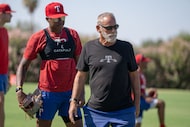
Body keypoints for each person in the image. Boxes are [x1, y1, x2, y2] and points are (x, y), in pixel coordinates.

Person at [16, 2, 83, 127]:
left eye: (63, 17)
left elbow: (81, 67)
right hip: (47, 95)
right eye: (57, 18)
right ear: (47, 19)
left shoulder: (73, 35)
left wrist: (81, 92)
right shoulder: (38, 37)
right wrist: (19, 90)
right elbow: (23, 65)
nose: (61, 21)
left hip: (70, 93)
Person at [69, 12, 140, 127]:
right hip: (96, 112)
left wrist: (137, 103)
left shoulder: (126, 48)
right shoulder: (89, 47)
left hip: (124, 111)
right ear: (98, 28)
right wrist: (73, 102)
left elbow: (134, 76)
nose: (113, 31)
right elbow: (80, 76)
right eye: (109, 28)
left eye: (115, 27)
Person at [135, 54, 166, 127]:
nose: (147, 63)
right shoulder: (136, 74)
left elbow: (141, 90)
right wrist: (146, 97)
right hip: (138, 102)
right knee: (161, 103)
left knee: (137, 124)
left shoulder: (141, 74)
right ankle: (162, 125)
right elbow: (135, 89)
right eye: (145, 62)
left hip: (141, 100)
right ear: (140, 63)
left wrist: (149, 93)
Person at [0, 3, 15, 127]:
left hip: (3, 73)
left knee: (1, 102)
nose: (11, 16)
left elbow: (4, 55)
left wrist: (8, 75)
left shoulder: (4, 31)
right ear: (1, 14)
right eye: (9, 13)